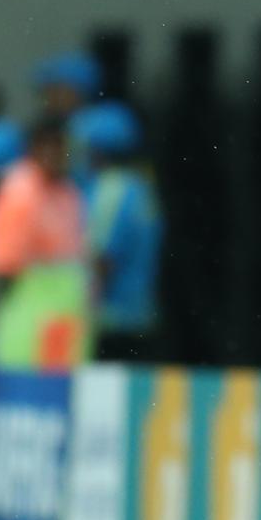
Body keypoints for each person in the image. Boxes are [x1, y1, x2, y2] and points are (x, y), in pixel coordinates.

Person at [71, 101, 164, 361]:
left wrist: (79, 309)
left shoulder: (110, 189)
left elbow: (102, 257)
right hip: (139, 312)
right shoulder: (142, 186)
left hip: (110, 317)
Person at [0, 116, 89, 370]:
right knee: (24, 392)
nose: (54, 154)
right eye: (46, 146)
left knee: (59, 388)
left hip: (64, 318)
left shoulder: (69, 193)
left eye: (59, 147)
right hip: (28, 322)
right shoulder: (21, 191)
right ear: (32, 149)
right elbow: (4, 265)